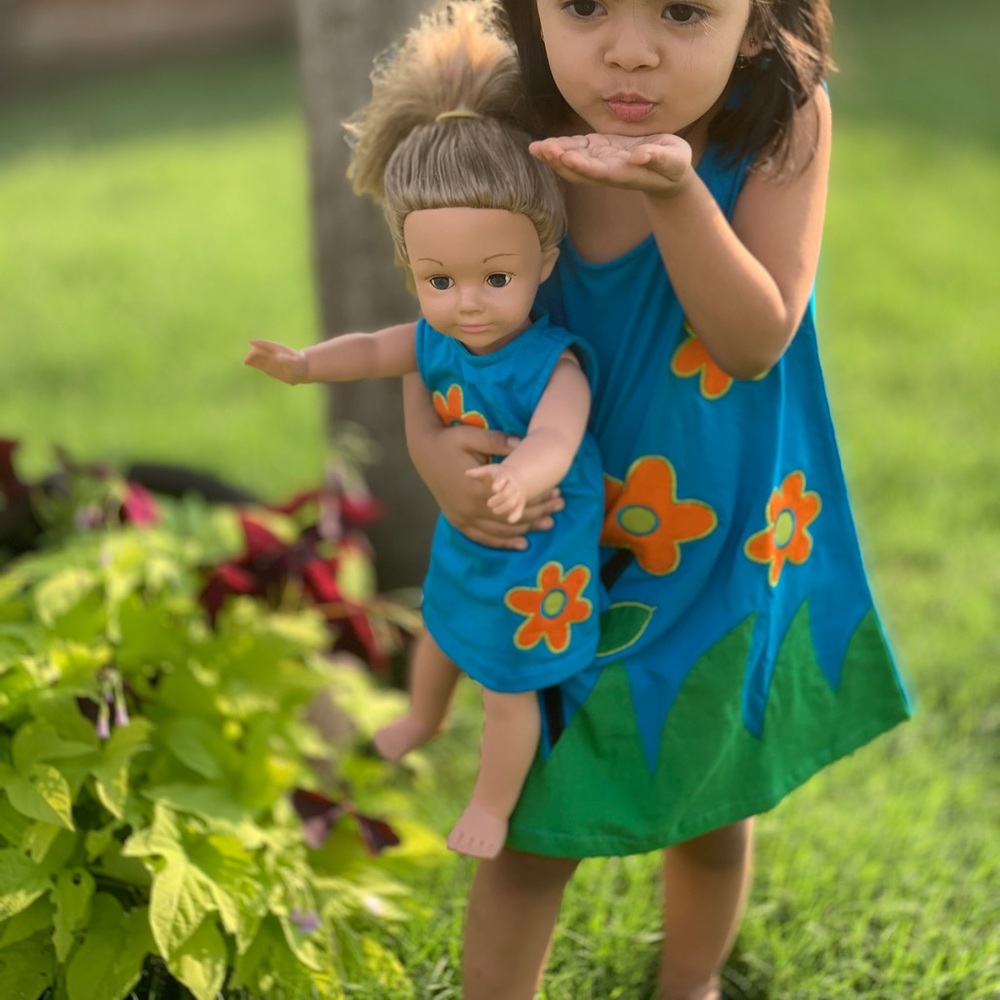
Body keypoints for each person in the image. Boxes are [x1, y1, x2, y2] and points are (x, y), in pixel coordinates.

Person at [401, 0, 913, 997]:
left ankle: (689, 983)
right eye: (585, 6)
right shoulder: (504, 131)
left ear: (757, 22)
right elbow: (438, 320)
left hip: (727, 538)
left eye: (682, 11)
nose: (628, 47)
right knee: (531, 833)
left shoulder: (780, 123)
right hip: (565, 555)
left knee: (715, 801)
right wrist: (429, 452)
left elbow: (753, 339)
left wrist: (677, 193)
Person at [244, 1, 605, 862]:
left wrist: (527, 474)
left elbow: (562, 434)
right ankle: (417, 715)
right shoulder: (434, 337)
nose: (467, 302)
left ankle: (489, 801)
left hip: (538, 543)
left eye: (495, 277)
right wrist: (303, 364)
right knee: (441, 625)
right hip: (473, 527)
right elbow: (372, 348)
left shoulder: (550, 360)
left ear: (544, 265)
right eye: (440, 280)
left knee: (510, 687)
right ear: (412, 268)